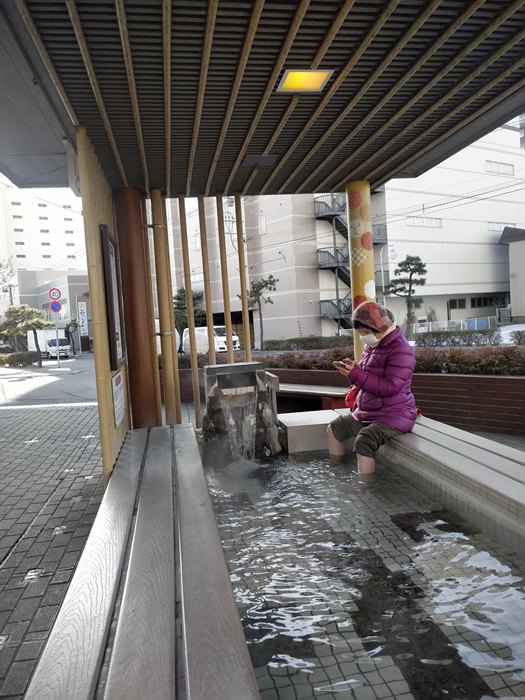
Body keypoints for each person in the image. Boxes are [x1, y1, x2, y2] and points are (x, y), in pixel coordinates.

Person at [327, 301, 417, 475]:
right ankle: (337, 471)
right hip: (369, 412)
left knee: (364, 441)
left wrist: (355, 375)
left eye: (366, 332)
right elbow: (368, 374)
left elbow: (391, 387)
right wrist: (354, 368)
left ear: (379, 327)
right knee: (334, 428)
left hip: (395, 415)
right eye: (360, 332)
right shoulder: (373, 345)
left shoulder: (401, 350)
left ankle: (365, 488)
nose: (363, 336)